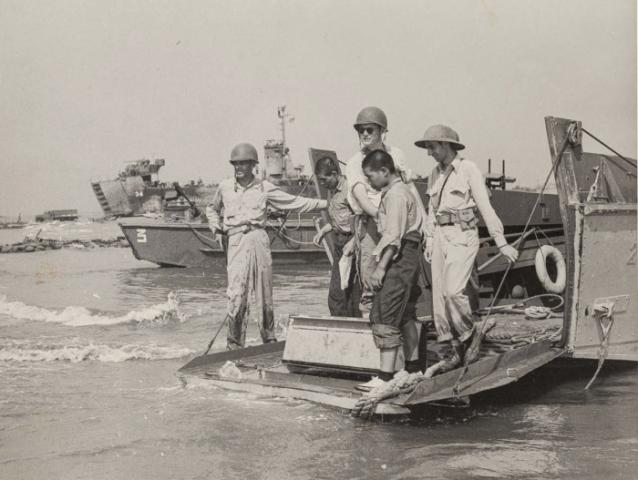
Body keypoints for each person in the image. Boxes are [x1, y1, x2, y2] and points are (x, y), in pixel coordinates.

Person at [415, 125, 519, 371]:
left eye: (432, 147)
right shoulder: (433, 174)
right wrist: (429, 240)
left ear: (446, 145)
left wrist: (501, 242)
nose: (429, 152)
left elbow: (485, 207)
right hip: (440, 236)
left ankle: (469, 335)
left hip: (462, 235)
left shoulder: (468, 169)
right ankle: (454, 350)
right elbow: (432, 210)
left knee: (453, 291)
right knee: (440, 299)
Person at [206, 143, 328, 350]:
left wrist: (325, 203)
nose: (239, 167)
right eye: (236, 163)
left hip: (259, 238)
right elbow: (211, 209)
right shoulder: (225, 187)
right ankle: (234, 344)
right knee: (236, 292)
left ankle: (268, 340)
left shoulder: (264, 187)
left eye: (244, 163)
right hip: (236, 240)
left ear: (253, 165)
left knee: (264, 293)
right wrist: (216, 229)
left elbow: (294, 202)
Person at [344, 106, 422, 315]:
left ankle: (402, 336)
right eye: (361, 131)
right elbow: (361, 197)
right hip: (372, 225)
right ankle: (370, 334)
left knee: (403, 282)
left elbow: (411, 190)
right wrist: (382, 217)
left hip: (401, 223)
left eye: (370, 130)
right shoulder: (354, 163)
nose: (365, 134)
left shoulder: (397, 155)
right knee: (370, 280)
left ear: (382, 131)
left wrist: (426, 225)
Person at [358, 150, 424, 389]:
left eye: (370, 176)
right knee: (405, 314)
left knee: (385, 313)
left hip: (398, 259)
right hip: (409, 257)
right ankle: (413, 369)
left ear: (385, 171)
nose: (369, 181)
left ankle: (385, 378)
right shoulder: (404, 191)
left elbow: (393, 237)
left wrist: (380, 269)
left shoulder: (395, 195)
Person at [313, 156, 361, 317]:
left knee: (348, 294)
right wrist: (322, 232)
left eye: (324, 180)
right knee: (339, 293)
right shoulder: (331, 190)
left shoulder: (350, 189)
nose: (322, 184)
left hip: (352, 245)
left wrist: (353, 243)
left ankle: (350, 328)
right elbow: (337, 221)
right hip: (340, 244)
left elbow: (363, 219)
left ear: (334, 174)